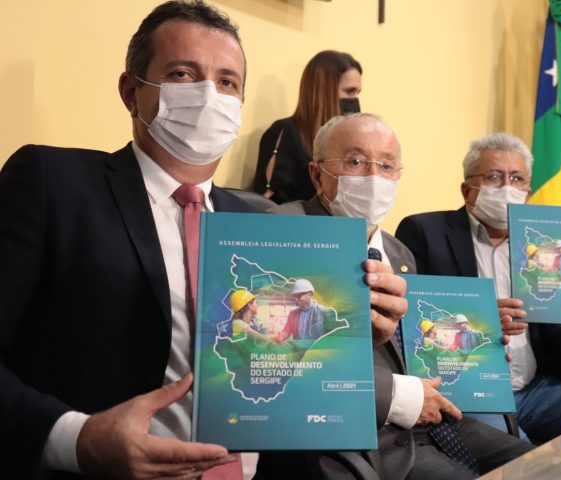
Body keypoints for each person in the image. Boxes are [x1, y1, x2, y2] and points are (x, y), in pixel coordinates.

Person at [0, 3, 407, 479]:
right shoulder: (54, 183)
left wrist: (353, 337)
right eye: (183, 74)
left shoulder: (264, 226)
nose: (209, 94)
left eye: (227, 82)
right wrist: (77, 439)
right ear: (131, 92)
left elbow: (288, 376)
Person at [264, 114, 533, 479]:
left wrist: (476, 349)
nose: (373, 176)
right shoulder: (283, 231)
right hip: (359, 433)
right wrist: (402, 397)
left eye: (387, 165)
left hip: (431, 420)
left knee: (536, 463)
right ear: (316, 174)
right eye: (356, 161)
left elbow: (414, 349)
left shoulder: (397, 251)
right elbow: (276, 361)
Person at [396, 132, 561, 443]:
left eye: (517, 178)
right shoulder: (424, 232)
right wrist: (483, 322)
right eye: (493, 177)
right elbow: (410, 320)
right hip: (470, 390)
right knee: (520, 449)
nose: (507, 187)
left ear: (527, 191)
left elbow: (552, 333)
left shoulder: (542, 243)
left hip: (535, 390)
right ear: (467, 189)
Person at [252, 50, 362, 204]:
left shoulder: (350, 143)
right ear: (324, 91)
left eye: (357, 93)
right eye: (349, 91)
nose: (355, 100)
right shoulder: (285, 133)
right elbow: (268, 203)